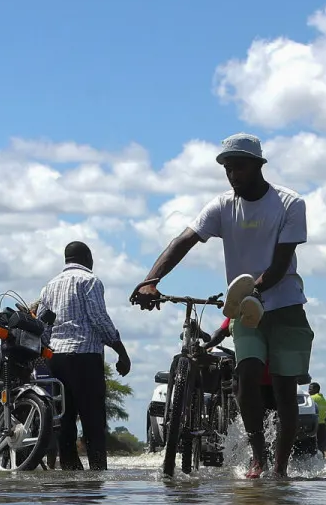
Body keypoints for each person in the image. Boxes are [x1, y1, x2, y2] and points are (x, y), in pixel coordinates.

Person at [132, 133, 310, 479]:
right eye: (228, 169)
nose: (233, 175)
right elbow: (183, 241)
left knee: (285, 388)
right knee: (245, 375)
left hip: (284, 302)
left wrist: (253, 290)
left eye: (239, 167)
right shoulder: (222, 205)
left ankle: (281, 468)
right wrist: (150, 280)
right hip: (244, 311)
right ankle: (258, 457)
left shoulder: (290, 204)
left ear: (259, 166)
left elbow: (280, 263)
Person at [37, 242, 131, 471]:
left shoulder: (49, 286)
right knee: (93, 422)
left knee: (65, 422)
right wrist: (121, 351)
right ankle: (97, 479)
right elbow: (99, 319)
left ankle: (70, 481)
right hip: (85, 357)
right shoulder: (90, 281)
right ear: (88, 257)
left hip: (56, 359)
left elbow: (42, 325)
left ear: (66, 259)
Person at [307, 381, 326, 453]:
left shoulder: (310, 398)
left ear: (316, 389)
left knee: (311, 446)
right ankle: (322, 462)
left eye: (310, 389)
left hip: (313, 426)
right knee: (321, 447)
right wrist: (324, 420)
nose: (308, 391)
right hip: (322, 426)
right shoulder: (324, 400)